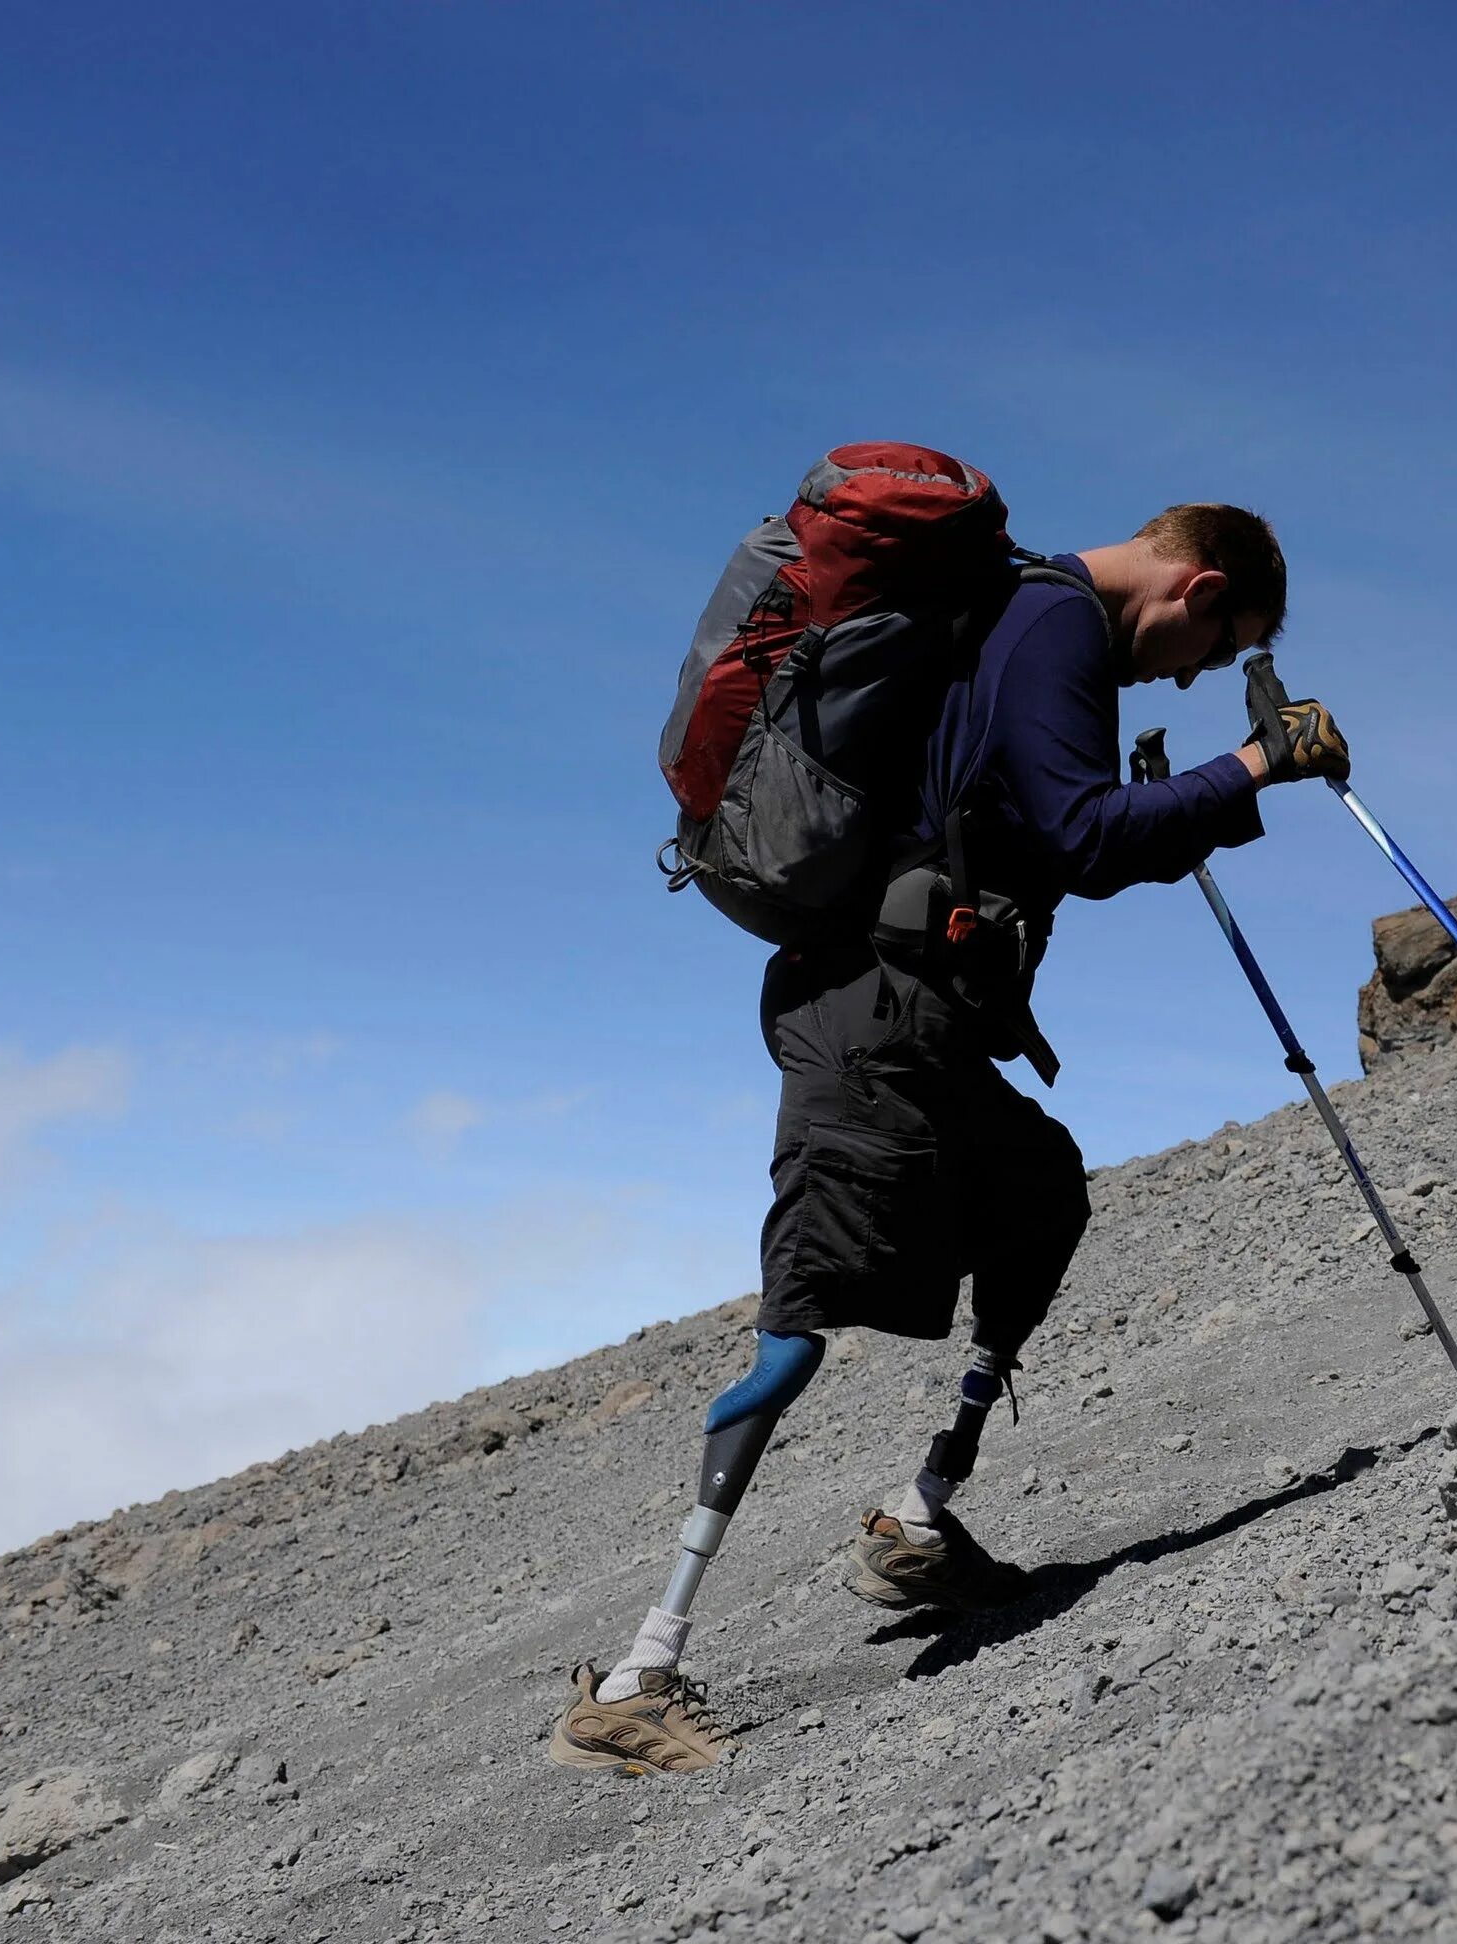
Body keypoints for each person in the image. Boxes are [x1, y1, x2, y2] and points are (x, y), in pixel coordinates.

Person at [552, 503, 1348, 1775]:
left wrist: (1199, 802)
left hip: (928, 1017)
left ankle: (920, 1518)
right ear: (1195, 587)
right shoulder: (1055, 629)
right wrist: (1254, 769)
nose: (1193, 675)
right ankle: (640, 1671)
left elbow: (1052, 832)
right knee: (800, 1320)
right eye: (1214, 645)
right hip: (865, 1015)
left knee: (1041, 1193)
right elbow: (1087, 841)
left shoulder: (1030, 623)